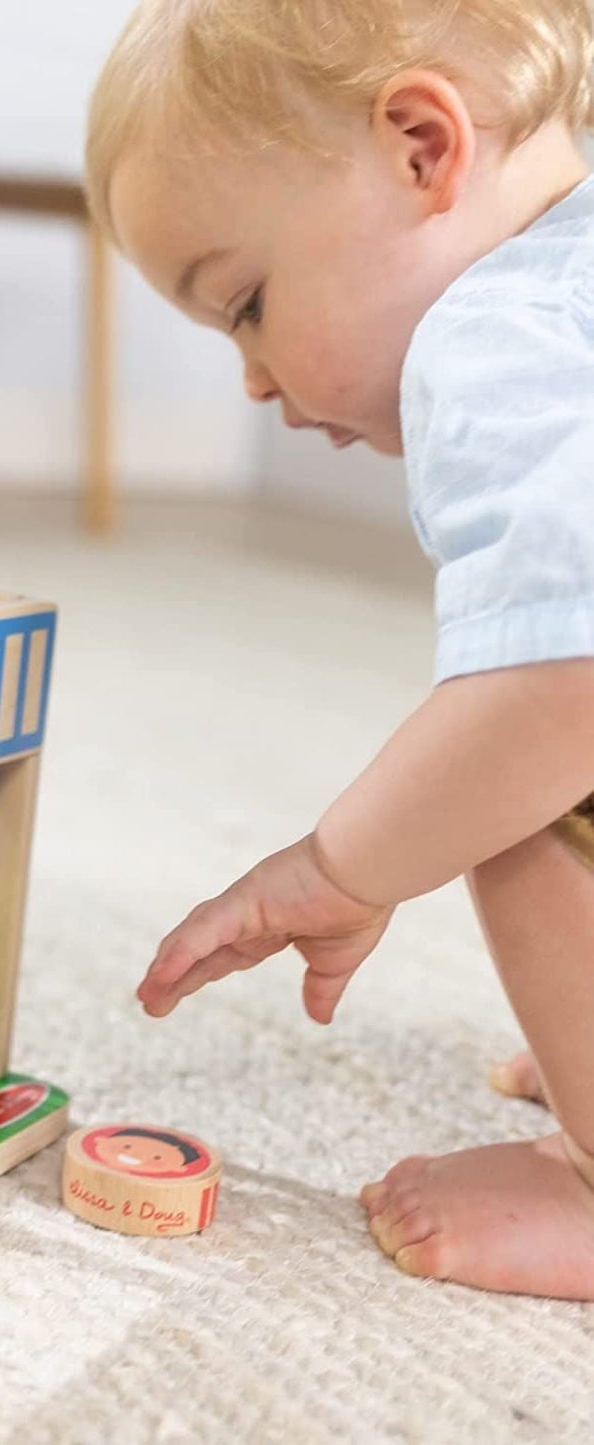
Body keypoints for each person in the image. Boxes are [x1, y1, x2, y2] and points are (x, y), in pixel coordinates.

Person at [85, 0, 594, 1297]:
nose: (252, 379)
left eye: (245, 301)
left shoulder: (499, 332)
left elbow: (564, 675)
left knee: (495, 789)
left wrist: (341, 864)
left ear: (423, 147)